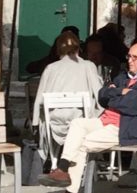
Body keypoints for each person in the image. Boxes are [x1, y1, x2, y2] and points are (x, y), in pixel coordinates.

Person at [40, 40, 137, 193]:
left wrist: (116, 94)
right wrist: (120, 92)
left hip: (127, 128)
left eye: (136, 57)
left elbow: (130, 105)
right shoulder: (124, 77)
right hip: (107, 121)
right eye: (129, 56)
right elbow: (102, 95)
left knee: (82, 145)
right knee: (78, 123)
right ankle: (63, 168)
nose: (130, 60)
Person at [33, 32, 104, 160]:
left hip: (54, 123)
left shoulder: (50, 68)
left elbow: (39, 101)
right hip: (81, 120)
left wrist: (35, 125)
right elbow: (100, 96)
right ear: (79, 49)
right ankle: (89, 159)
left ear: (58, 50)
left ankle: (55, 161)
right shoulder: (88, 66)